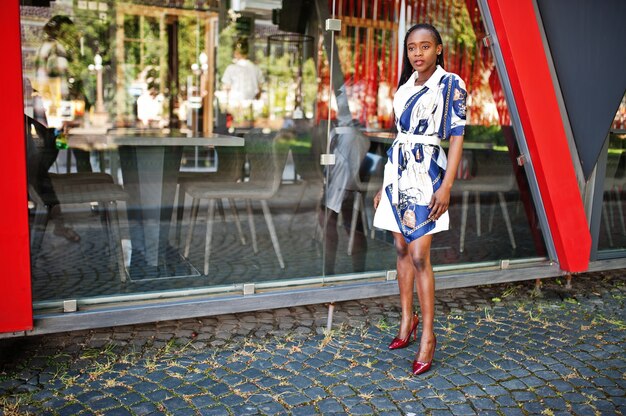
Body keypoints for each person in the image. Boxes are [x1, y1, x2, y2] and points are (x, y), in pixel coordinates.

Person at [372, 23, 466, 375]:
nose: (417, 53)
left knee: (419, 254)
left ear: (438, 49)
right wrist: (385, 184)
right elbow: (399, 138)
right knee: (399, 249)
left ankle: (428, 336)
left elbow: (456, 137)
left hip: (428, 175)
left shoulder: (450, 83)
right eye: (412, 47)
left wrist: (447, 186)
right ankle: (406, 321)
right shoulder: (404, 87)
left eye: (425, 46)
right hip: (397, 174)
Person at [34, 15, 92, 172]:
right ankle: (87, 187)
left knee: (53, 149)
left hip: (50, 110)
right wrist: (67, 116)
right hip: (61, 111)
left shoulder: (44, 47)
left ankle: (35, 183)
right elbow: (61, 84)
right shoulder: (57, 49)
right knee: (79, 150)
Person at [221, 37, 264, 124]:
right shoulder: (256, 69)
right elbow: (259, 92)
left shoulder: (231, 68)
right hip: (251, 110)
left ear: (236, 52)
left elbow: (226, 88)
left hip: (234, 109)